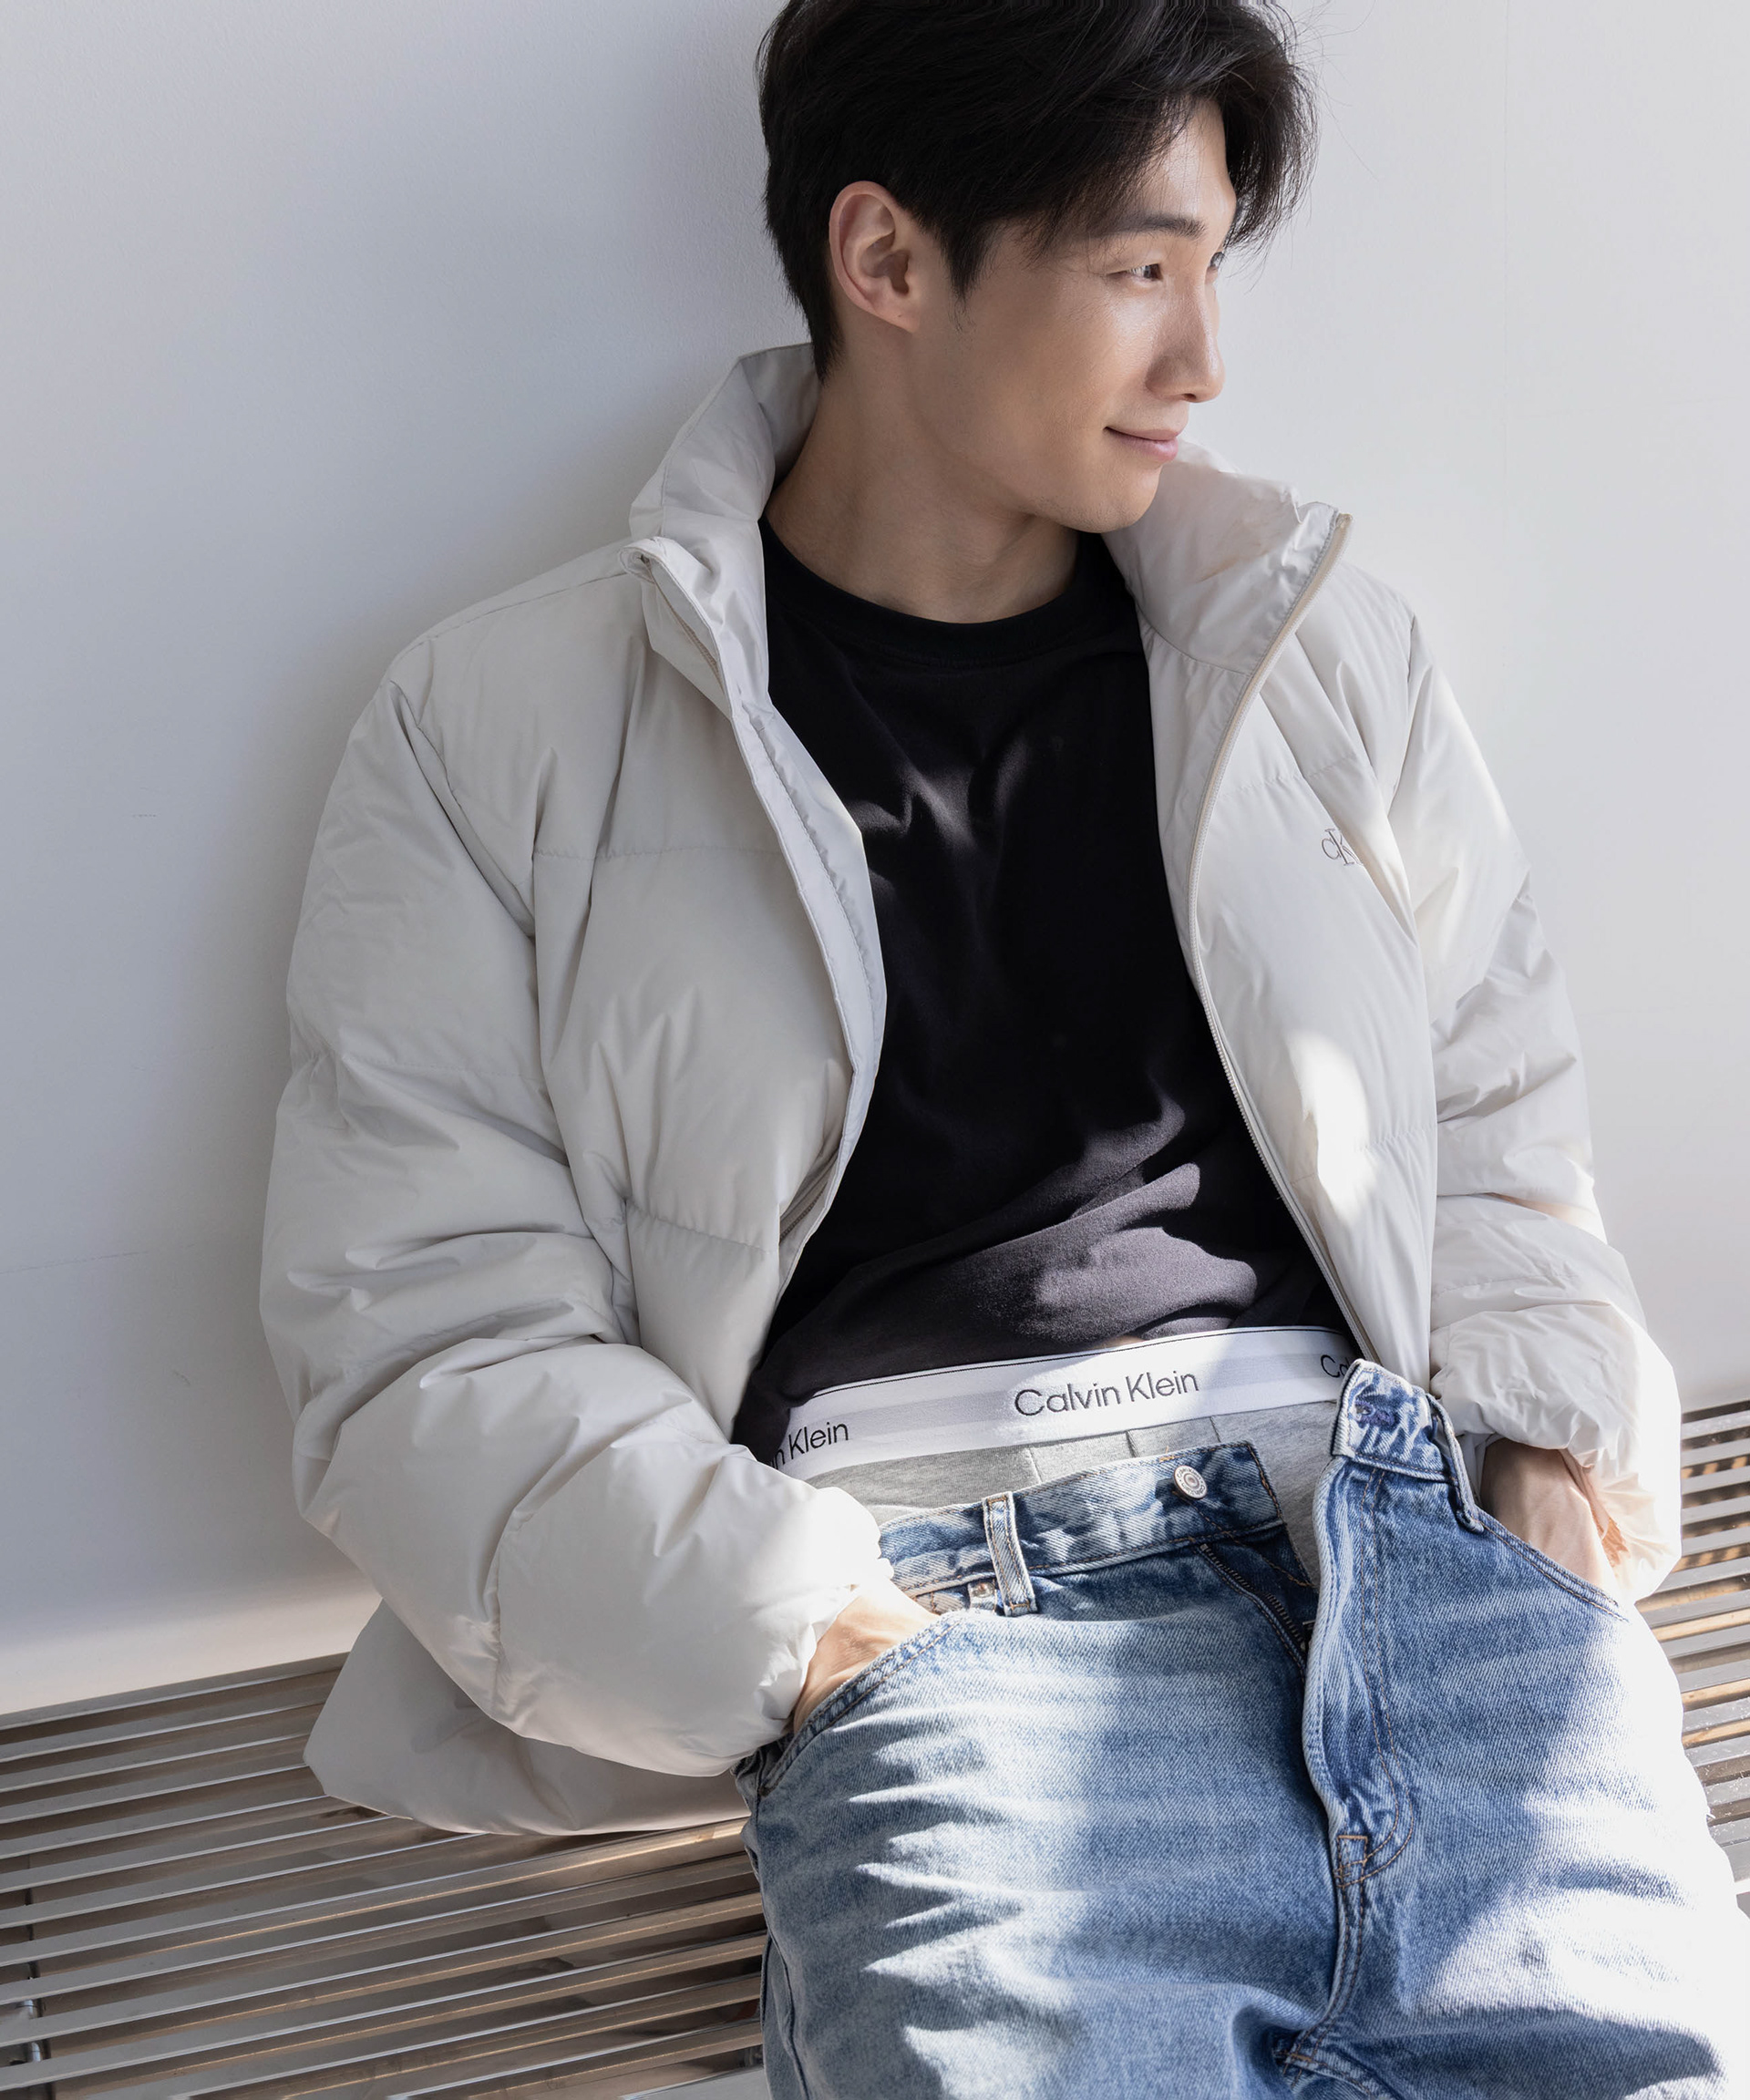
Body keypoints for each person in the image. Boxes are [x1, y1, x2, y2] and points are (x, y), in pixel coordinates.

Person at [261, 0, 1748, 2091]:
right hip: (945, 1628)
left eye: (1215, 268)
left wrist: (1549, 1502)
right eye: (1141, 268)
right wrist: (821, 1647)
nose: (1203, 357)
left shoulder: (1318, 653)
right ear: (887, 259)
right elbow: (422, 1343)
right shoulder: (496, 729)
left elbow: (1505, 1132)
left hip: (1421, 1569)